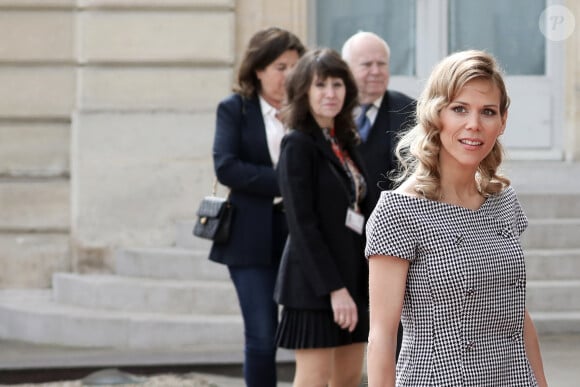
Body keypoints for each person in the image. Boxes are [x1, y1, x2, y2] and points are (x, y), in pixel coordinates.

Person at [365, 50, 548, 386]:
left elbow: (517, 315)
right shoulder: (399, 212)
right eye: (459, 109)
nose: (474, 125)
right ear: (436, 115)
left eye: (488, 112)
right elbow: (381, 336)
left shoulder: (502, 202)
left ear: (503, 121)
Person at [209, 27, 305, 387]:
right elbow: (227, 167)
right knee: (263, 335)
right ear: (259, 69)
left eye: (296, 66)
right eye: (281, 66)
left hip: (301, 233)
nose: (290, 75)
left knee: (311, 333)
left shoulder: (308, 109)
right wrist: (288, 183)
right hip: (250, 236)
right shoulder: (235, 109)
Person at [274, 48, 372, 387]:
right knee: (314, 381)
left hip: (353, 279)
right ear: (304, 91)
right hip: (315, 287)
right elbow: (302, 226)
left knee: (347, 380)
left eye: (337, 84)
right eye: (320, 85)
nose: (330, 94)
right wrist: (334, 290)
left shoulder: (344, 142)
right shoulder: (297, 145)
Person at [342, 31, 416, 210]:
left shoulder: (411, 111)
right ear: (346, 69)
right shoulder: (332, 111)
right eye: (366, 64)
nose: (376, 71)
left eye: (381, 64)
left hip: (394, 220)